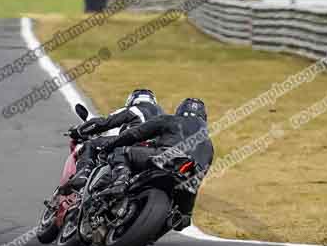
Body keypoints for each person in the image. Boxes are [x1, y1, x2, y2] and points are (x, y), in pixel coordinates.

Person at [98, 98, 214, 230]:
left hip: (165, 158)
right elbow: (198, 178)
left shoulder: (170, 120)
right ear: (204, 118)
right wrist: (186, 211)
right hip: (187, 181)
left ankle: (120, 182)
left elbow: (135, 133)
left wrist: (108, 146)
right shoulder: (209, 145)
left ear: (180, 110)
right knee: (182, 219)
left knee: (121, 152)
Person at [62, 89, 163, 193]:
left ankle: (83, 175)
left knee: (90, 145)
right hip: (156, 153)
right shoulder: (163, 114)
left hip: (132, 147)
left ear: (132, 100)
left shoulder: (134, 109)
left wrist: (79, 131)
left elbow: (105, 123)